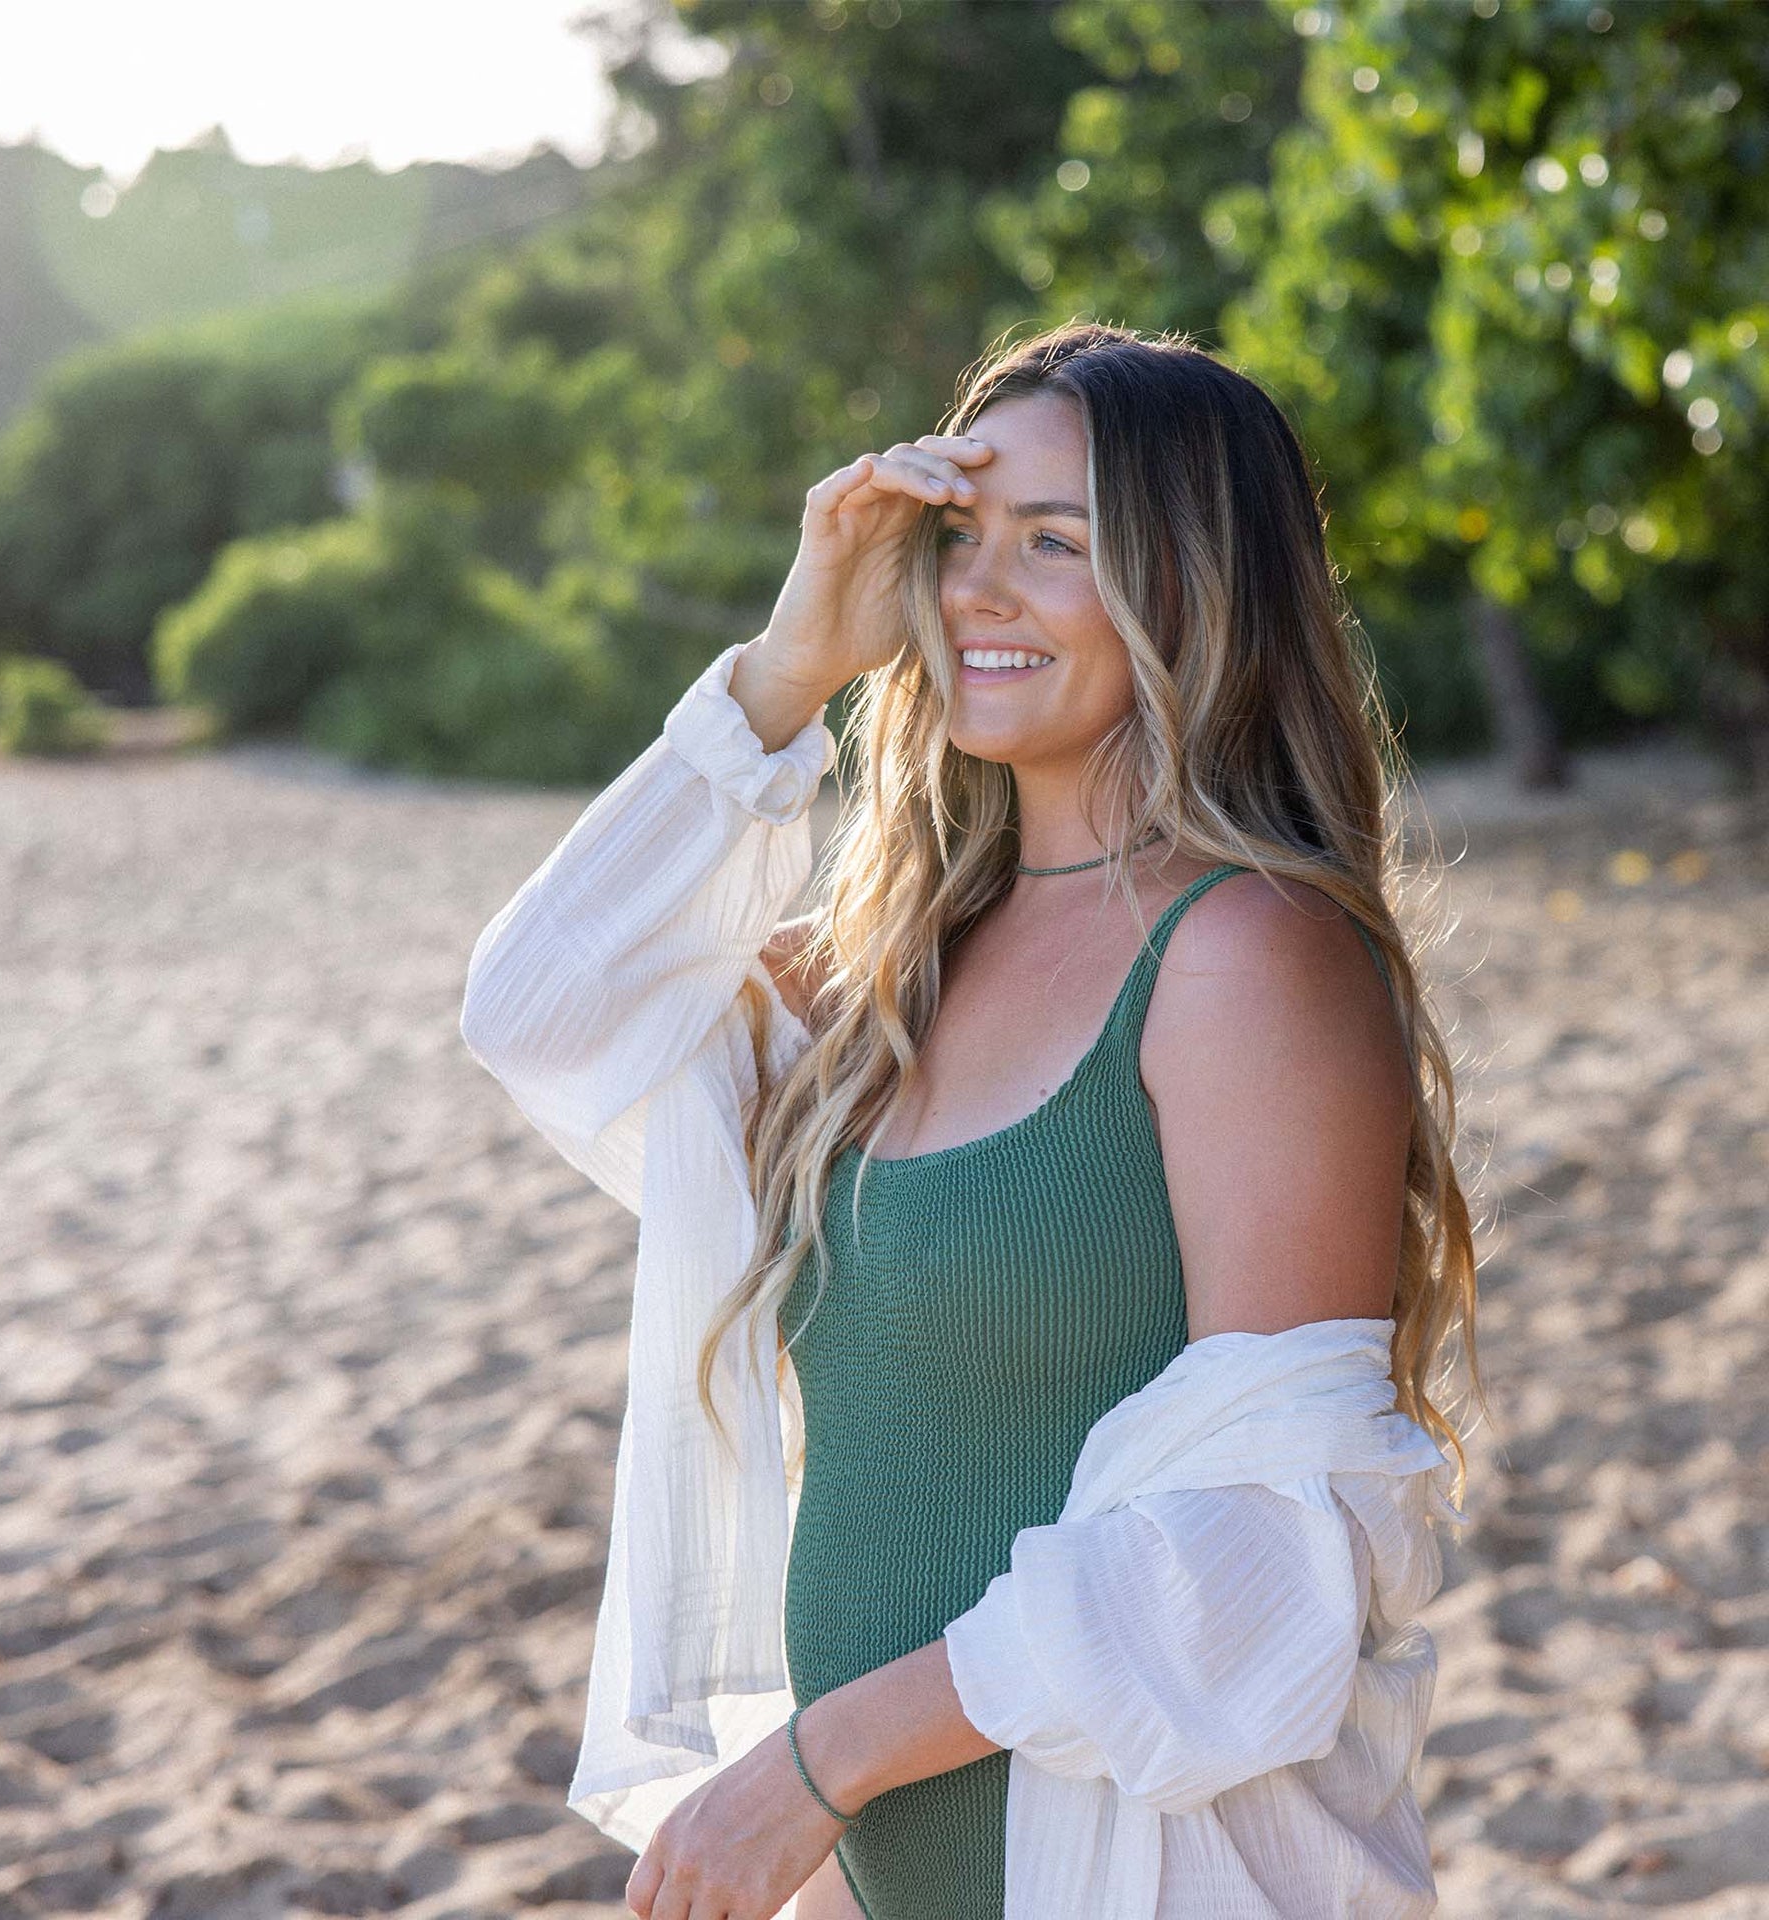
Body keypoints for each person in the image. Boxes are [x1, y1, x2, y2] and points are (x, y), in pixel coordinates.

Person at [459, 320, 1490, 1920]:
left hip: (1144, 1877)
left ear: (1193, 589)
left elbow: (1285, 1543)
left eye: (1055, 545)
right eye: (958, 538)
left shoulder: (1242, 954)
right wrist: (792, 667)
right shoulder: (884, 965)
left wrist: (821, 1761)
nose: (974, 593)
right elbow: (532, 1011)